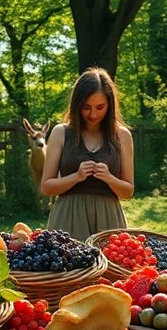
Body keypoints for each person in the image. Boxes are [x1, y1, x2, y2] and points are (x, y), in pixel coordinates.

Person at [41, 67, 134, 241]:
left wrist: (108, 177)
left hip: (109, 219)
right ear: (77, 105)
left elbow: (128, 191)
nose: (93, 114)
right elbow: (46, 187)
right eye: (86, 107)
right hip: (67, 218)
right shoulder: (61, 132)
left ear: (110, 104)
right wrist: (76, 176)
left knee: (110, 268)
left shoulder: (122, 136)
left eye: (100, 107)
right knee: (69, 268)